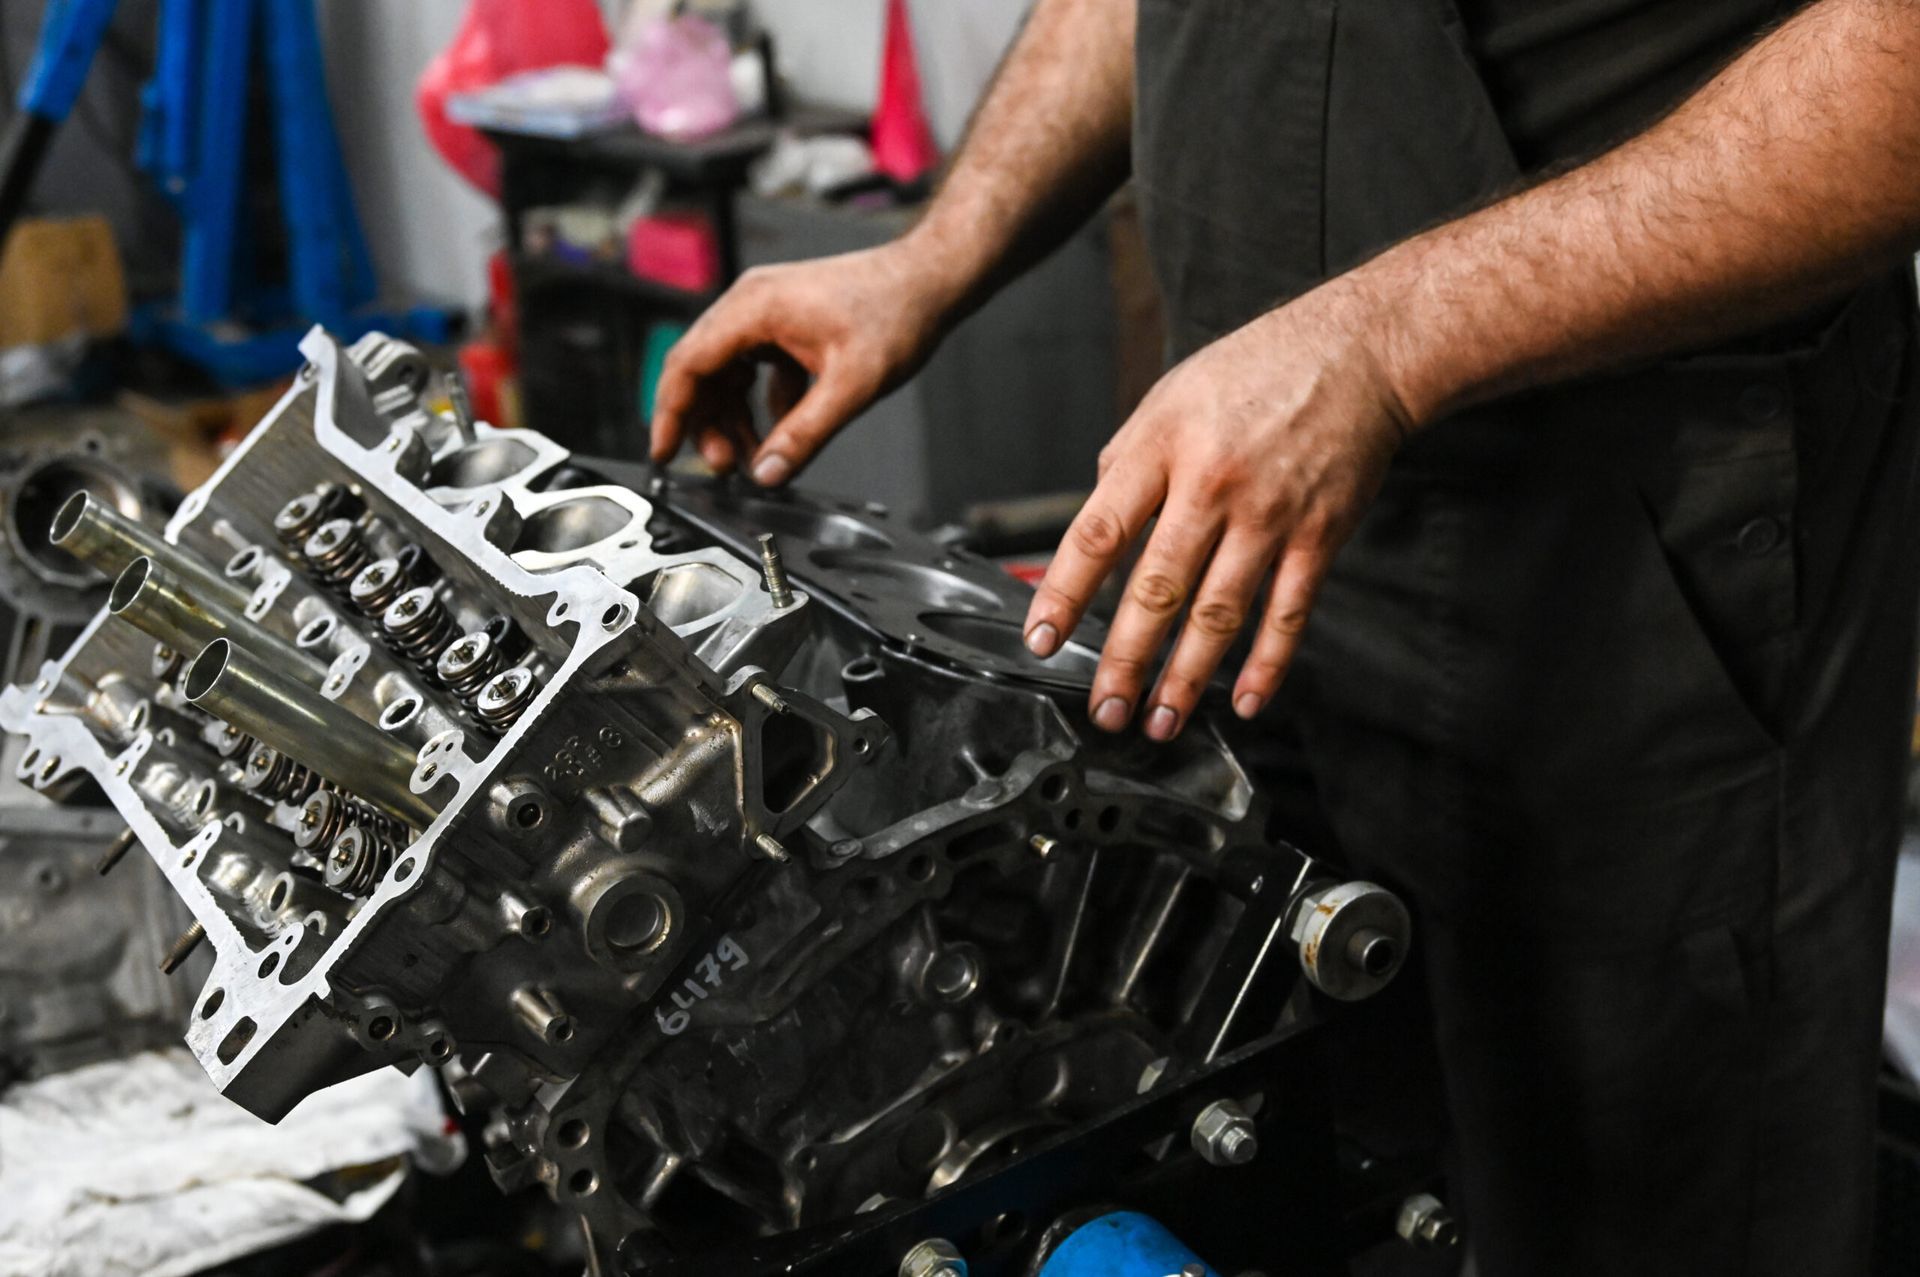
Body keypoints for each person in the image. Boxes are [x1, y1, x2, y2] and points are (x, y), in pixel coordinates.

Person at [650, 2, 1920, 1272]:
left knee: (1638, 1204)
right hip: (1248, 545)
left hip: (1624, 587)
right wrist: (936, 252)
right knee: (1297, 1173)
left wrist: (1378, 343)